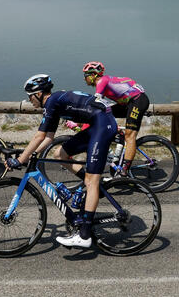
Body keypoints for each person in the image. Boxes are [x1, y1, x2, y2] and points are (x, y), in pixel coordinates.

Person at [7, 74, 117, 249]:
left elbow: (39, 136)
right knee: (60, 154)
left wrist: (20, 160)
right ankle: (95, 186)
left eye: (30, 96)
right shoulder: (55, 103)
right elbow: (49, 138)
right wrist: (32, 154)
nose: (29, 100)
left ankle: (85, 235)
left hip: (103, 126)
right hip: (98, 123)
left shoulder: (52, 102)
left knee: (91, 181)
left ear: (39, 93)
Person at [81, 61, 150, 177]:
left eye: (86, 76)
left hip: (137, 100)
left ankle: (125, 169)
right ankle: (118, 139)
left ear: (93, 75)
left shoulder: (102, 81)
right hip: (129, 102)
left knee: (130, 135)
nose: (84, 79)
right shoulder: (105, 80)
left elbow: (95, 103)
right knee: (103, 113)